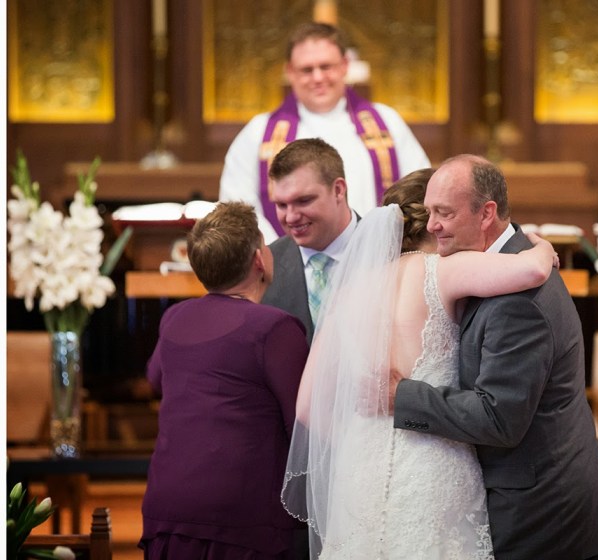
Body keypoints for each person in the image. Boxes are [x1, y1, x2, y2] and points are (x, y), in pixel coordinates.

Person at [281, 168, 559, 559]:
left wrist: (361, 442)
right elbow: (532, 270)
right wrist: (542, 247)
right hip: (434, 462)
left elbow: (307, 408)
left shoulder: (347, 291)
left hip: (360, 470)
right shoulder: (438, 271)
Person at [392, 155, 598, 559]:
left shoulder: (517, 299)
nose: (431, 226)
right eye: (429, 212)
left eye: (444, 213)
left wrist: (403, 396)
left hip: (546, 517)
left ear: (486, 214)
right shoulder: (508, 262)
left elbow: (499, 417)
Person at [140, 202, 309, 560]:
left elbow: (155, 379)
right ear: (259, 259)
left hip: (168, 506)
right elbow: (303, 424)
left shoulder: (174, 317)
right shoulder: (275, 328)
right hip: (241, 515)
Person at [219, 21, 430, 242]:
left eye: (326, 66)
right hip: (289, 260)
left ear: (345, 65)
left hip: (377, 255)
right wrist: (279, 253)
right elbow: (238, 207)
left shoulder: (387, 122)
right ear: (290, 71)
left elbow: (420, 190)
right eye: (307, 70)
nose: (318, 78)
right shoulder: (257, 132)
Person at [261, 137, 358, 344]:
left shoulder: (392, 251)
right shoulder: (264, 267)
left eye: (303, 201)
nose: (291, 217)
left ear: (338, 190)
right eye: (281, 205)